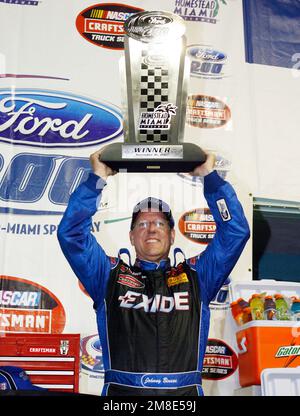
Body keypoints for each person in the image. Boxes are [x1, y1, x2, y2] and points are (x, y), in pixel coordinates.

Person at [57, 149, 250, 396]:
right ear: (131, 236)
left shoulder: (198, 276)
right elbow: (71, 234)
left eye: (160, 223)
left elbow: (235, 232)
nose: (151, 230)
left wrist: (209, 177)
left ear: (172, 235)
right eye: (143, 224)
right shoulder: (107, 275)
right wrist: (97, 179)